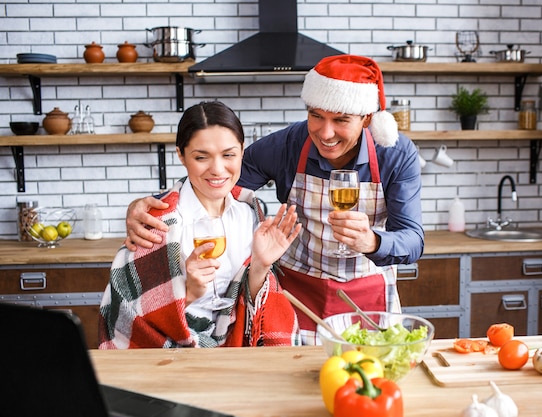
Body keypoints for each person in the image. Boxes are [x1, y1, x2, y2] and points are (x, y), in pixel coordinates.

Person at [124, 55, 425, 345]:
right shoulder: (288, 144)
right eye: (316, 116)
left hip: (368, 295)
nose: (325, 132)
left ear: (367, 118)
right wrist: (159, 203)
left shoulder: (395, 154)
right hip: (298, 294)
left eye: (341, 120)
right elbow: (218, 180)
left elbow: (412, 241)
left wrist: (372, 241)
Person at [99, 101, 302, 349]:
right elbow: (127, 317)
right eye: (201, 157)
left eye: (229, 155)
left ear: (242, 152)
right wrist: (189, 292)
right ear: (181, 156)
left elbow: (251, 305)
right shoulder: (156, 223)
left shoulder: (250, 215)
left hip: (236, 355)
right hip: (172, 359)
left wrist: (261, 265)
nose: (217, 169)